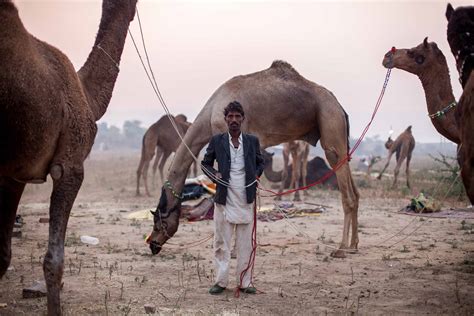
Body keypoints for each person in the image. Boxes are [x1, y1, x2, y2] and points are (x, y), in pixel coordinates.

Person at [201, 101, 265, 295]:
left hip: (246, 197)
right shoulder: (217, 141)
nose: (234, 120)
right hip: (224, 198)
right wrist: (215, 175)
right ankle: (220, 282)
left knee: (246, 244)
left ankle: (245, 282)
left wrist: (255, 175)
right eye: (231, 116)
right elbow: (205, 164)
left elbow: (260, 163)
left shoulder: (252, 141)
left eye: (238, 116)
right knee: (222, 243)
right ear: (226, 119)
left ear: (243, 119)